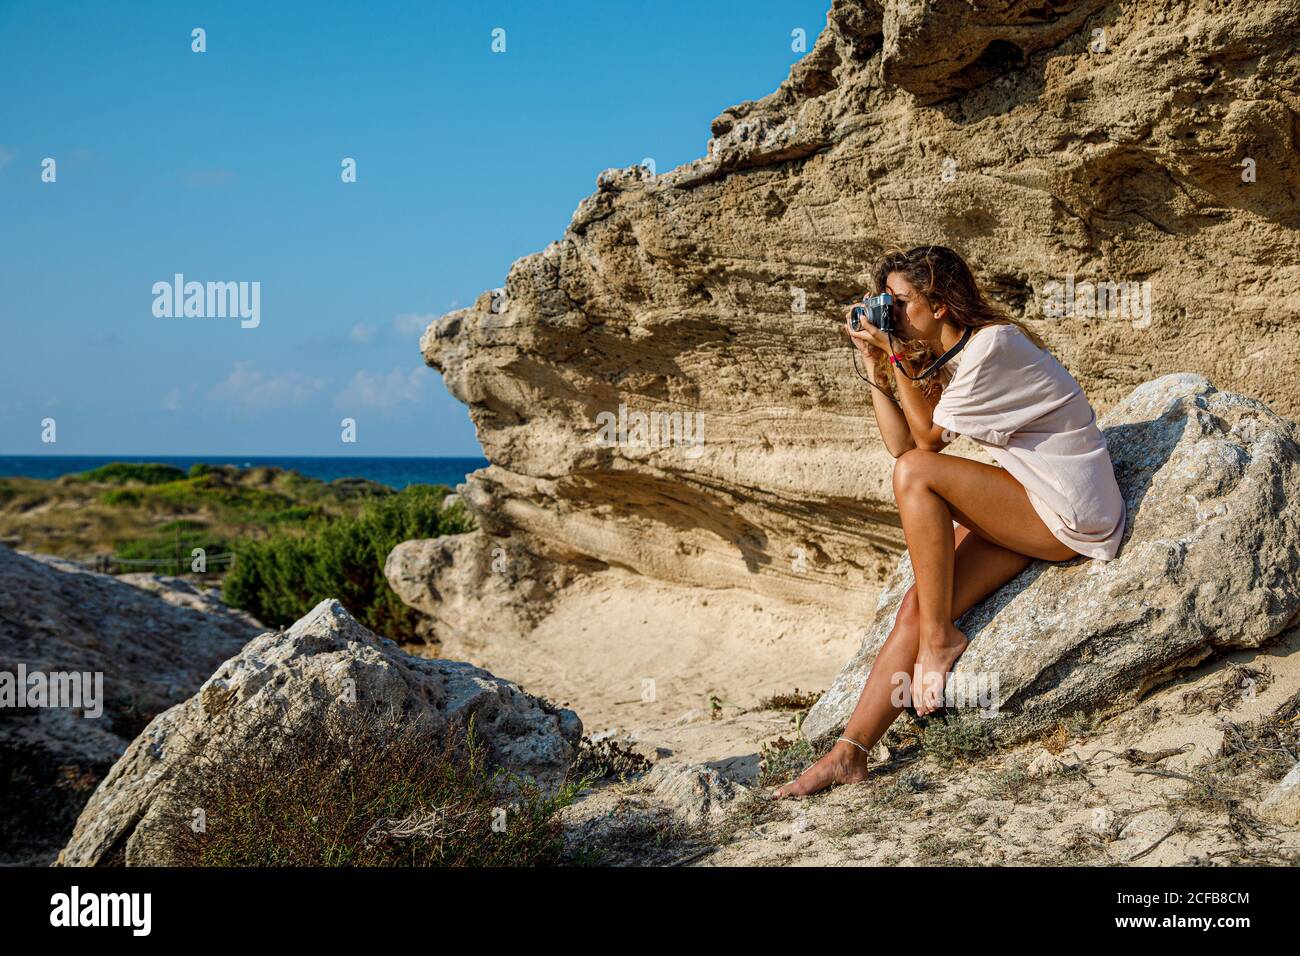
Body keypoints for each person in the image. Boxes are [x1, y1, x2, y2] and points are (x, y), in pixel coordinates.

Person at [772, 245, 1126, 800]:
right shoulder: (945, 357)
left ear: (938, 303)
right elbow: (902, 442)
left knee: (919, 480)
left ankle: (940, 641)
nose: (892, 313)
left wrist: (895, 355)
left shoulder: (993, 347)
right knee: (916, 602)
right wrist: (878, 370)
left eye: (900, 301)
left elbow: (927, 447)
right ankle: (850, 753)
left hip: (1069, 509)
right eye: (886, 303)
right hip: (1033, 500)